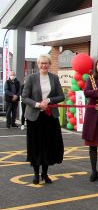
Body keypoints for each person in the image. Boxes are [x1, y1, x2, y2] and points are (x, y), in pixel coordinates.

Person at [22, 54, 65, 185]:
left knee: (48, 146)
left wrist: (49, 100)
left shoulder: (54, 78)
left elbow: (61, 96)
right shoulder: (31, 78)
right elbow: (24, 97)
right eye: (41, 63)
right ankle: (35, 174)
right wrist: (37, 104)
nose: (44, 65)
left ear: (49, 64)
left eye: (46, 63)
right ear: (37, 64)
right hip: (35, 118)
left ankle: (45, 174)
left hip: (49, 117)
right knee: (35, 146)